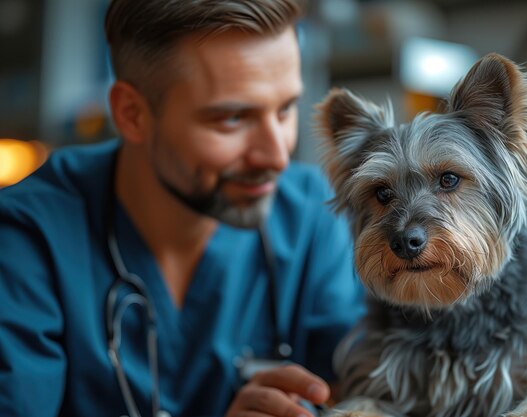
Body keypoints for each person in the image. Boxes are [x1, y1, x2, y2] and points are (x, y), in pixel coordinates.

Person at [0, 1, 365, 416]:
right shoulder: (29, 235)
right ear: (132, 114)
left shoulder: (309, 214)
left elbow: (363, 381)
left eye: (285, 110)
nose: (277, 156)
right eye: (231, 119)